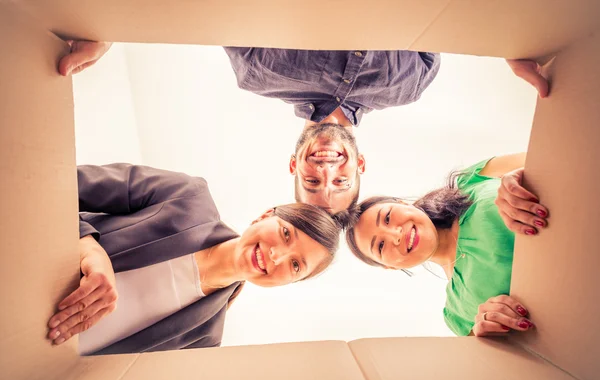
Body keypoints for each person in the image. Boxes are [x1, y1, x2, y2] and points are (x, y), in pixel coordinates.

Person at [57, 42, 549, 214]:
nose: (326, 171)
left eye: (311, 182)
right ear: (360, 164)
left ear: (294, 164)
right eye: (341, 181)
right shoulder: (409, 87)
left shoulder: (255, 74)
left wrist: (112, 20)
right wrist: (510, 36)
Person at [46, 164, 342, 355]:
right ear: (266, 215)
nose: (277, 255)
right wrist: (88, 245)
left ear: (291, 282)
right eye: (286, 234)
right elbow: (61, 182)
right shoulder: (187, 196)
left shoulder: (205, 340)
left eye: (295, 266)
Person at [345, 153, 550, 337]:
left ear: (403, 203)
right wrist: (489, 333)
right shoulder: (459, 315)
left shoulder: (472, 179)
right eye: (380, 246)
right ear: (391, 266)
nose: (395, 234)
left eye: (388, 217)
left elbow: (551, 158)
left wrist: (521, 177)